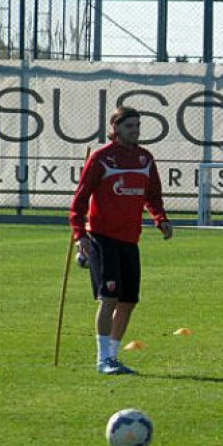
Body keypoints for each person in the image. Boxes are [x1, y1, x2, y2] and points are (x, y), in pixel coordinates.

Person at [69, 106, 173, 375]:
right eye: (129, 126)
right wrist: (80, 234)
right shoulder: (102, 158)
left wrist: (161, 219)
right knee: (109, 298)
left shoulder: (145, 159)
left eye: (137, 126)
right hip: (102, 237)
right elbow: (79, 200)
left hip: (130, 240)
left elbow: (153, 197)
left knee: (129, 302)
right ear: (115, 129)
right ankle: (102, 359)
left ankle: (113, 358)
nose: (135, 130)